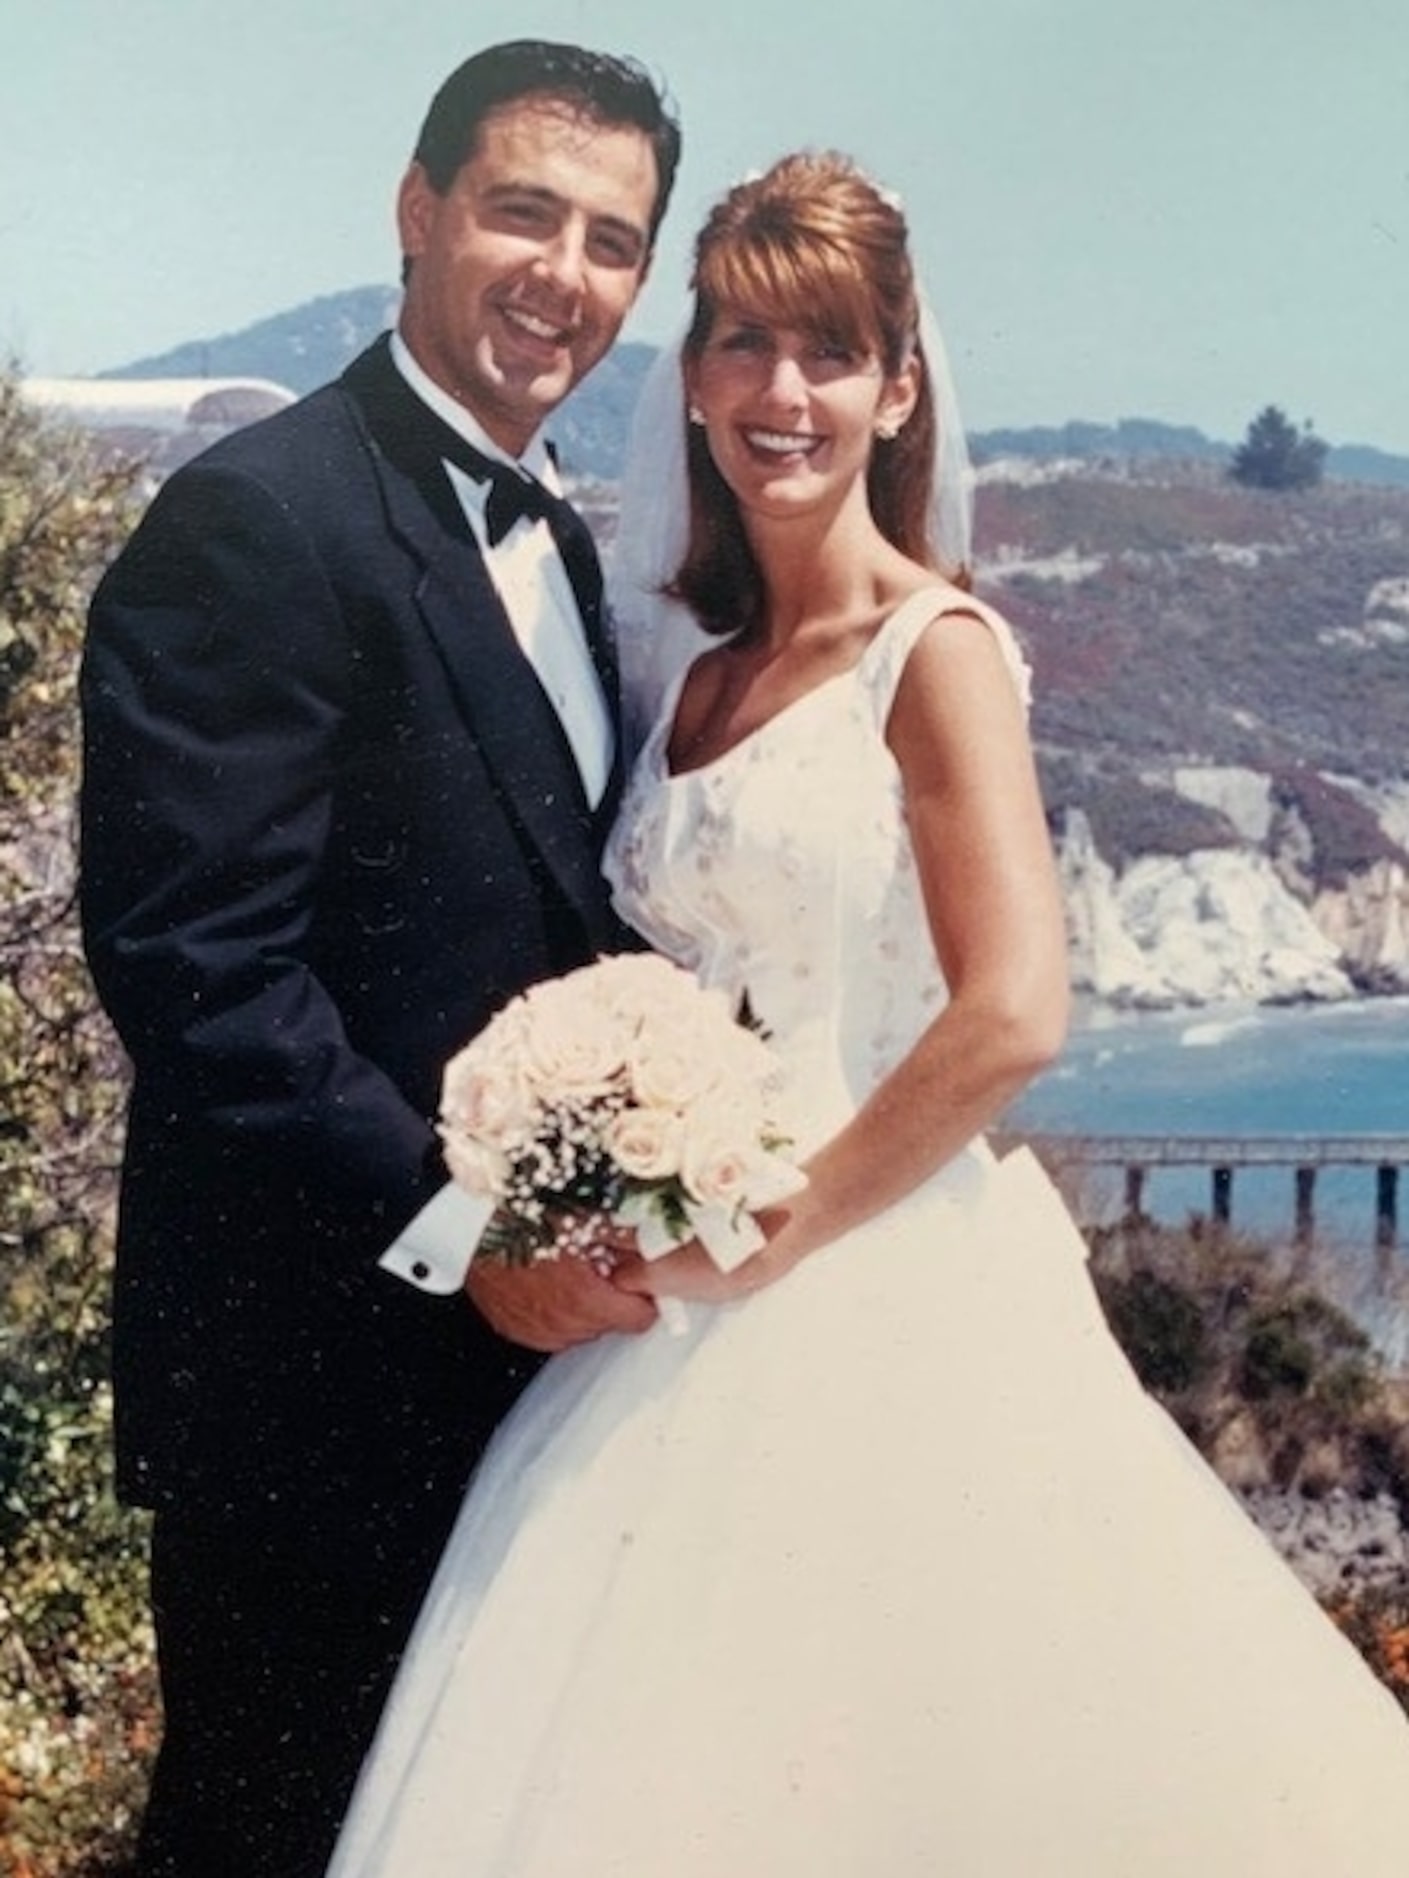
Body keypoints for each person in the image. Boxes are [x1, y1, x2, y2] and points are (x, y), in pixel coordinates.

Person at [325, 149, 1409, 1875]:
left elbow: (1010, 1015)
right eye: (744, 344)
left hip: (876, 1274)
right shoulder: (685, 663)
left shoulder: (939, 653)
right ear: (690, 377)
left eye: (829, 353)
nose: (781, 394)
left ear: (897, 388)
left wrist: (775, 1228)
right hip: (664, 1309)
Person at [78, 39, 680, 1878]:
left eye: (608, 238)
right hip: (310, 1388)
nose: (559, 274)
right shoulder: (260, 519)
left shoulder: (567, 540)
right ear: (416, 216)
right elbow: (202, 972)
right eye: (520, 211)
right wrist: (464, 1234)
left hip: (535, 1391)